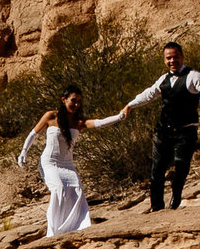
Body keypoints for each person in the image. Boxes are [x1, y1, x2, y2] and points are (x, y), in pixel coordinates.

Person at [102, 42, 200, 212]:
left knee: (181, 168)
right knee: (157, 170)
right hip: (163, 131)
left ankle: (175, 200)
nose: (172, 61)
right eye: (168, 58)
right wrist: (130, 105)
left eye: (175, 57)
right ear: (164, 60)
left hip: (186, 131)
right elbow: (149, 94)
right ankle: (156, 206)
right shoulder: (163, 79)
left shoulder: (194, 77)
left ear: (182, 57)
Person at [15, 86, 123, 240]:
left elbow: (99, 122)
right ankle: (53, 232)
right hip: (50, 162)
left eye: (79, 101)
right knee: (59, 189)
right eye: (73, 100)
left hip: (68, 165)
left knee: (76, 190)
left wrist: (119, 116)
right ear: (64, 100)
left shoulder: (79, 122)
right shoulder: (51, 116)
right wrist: (23, 151)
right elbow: (33, 134)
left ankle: (76, 227)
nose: (76, 104)